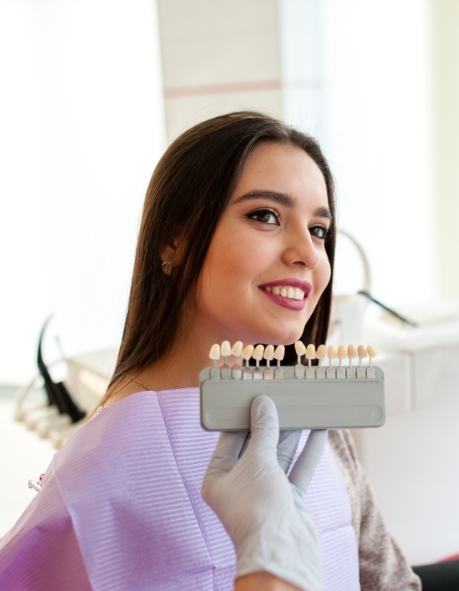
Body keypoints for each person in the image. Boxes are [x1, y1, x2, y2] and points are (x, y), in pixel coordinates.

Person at [0, 112, 420, 590]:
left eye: (320, 230)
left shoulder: (312, 421)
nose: (307, 252)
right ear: (173, 241)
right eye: (265, 215)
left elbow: (391, 583)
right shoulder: (102, 466)